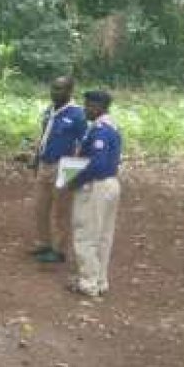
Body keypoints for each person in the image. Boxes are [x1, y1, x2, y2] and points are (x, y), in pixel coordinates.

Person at [67, 91, 122, 298]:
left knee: (86, 234)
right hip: (110, 184)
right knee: (103, 235)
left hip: (96, 186)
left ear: (100, 107)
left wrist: (76, 179)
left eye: (89, 105)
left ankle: (88, 282)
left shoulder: (100, 130)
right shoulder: (111, 127)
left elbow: (97, 164)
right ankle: (99, 280)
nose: (85, 109)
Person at [31, 76, 88, 264]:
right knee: (40, 206)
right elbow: (44, 135)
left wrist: (75, 170)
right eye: (53, 88)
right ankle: (43, 243)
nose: (55, 92)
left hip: (63, 166)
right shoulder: (50, 111)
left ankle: (59, 249)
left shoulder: (78, 114)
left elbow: (83, 143)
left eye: (60, 89)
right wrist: (36, 158)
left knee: (60, 210)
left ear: (70, 91)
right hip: (45, 164)